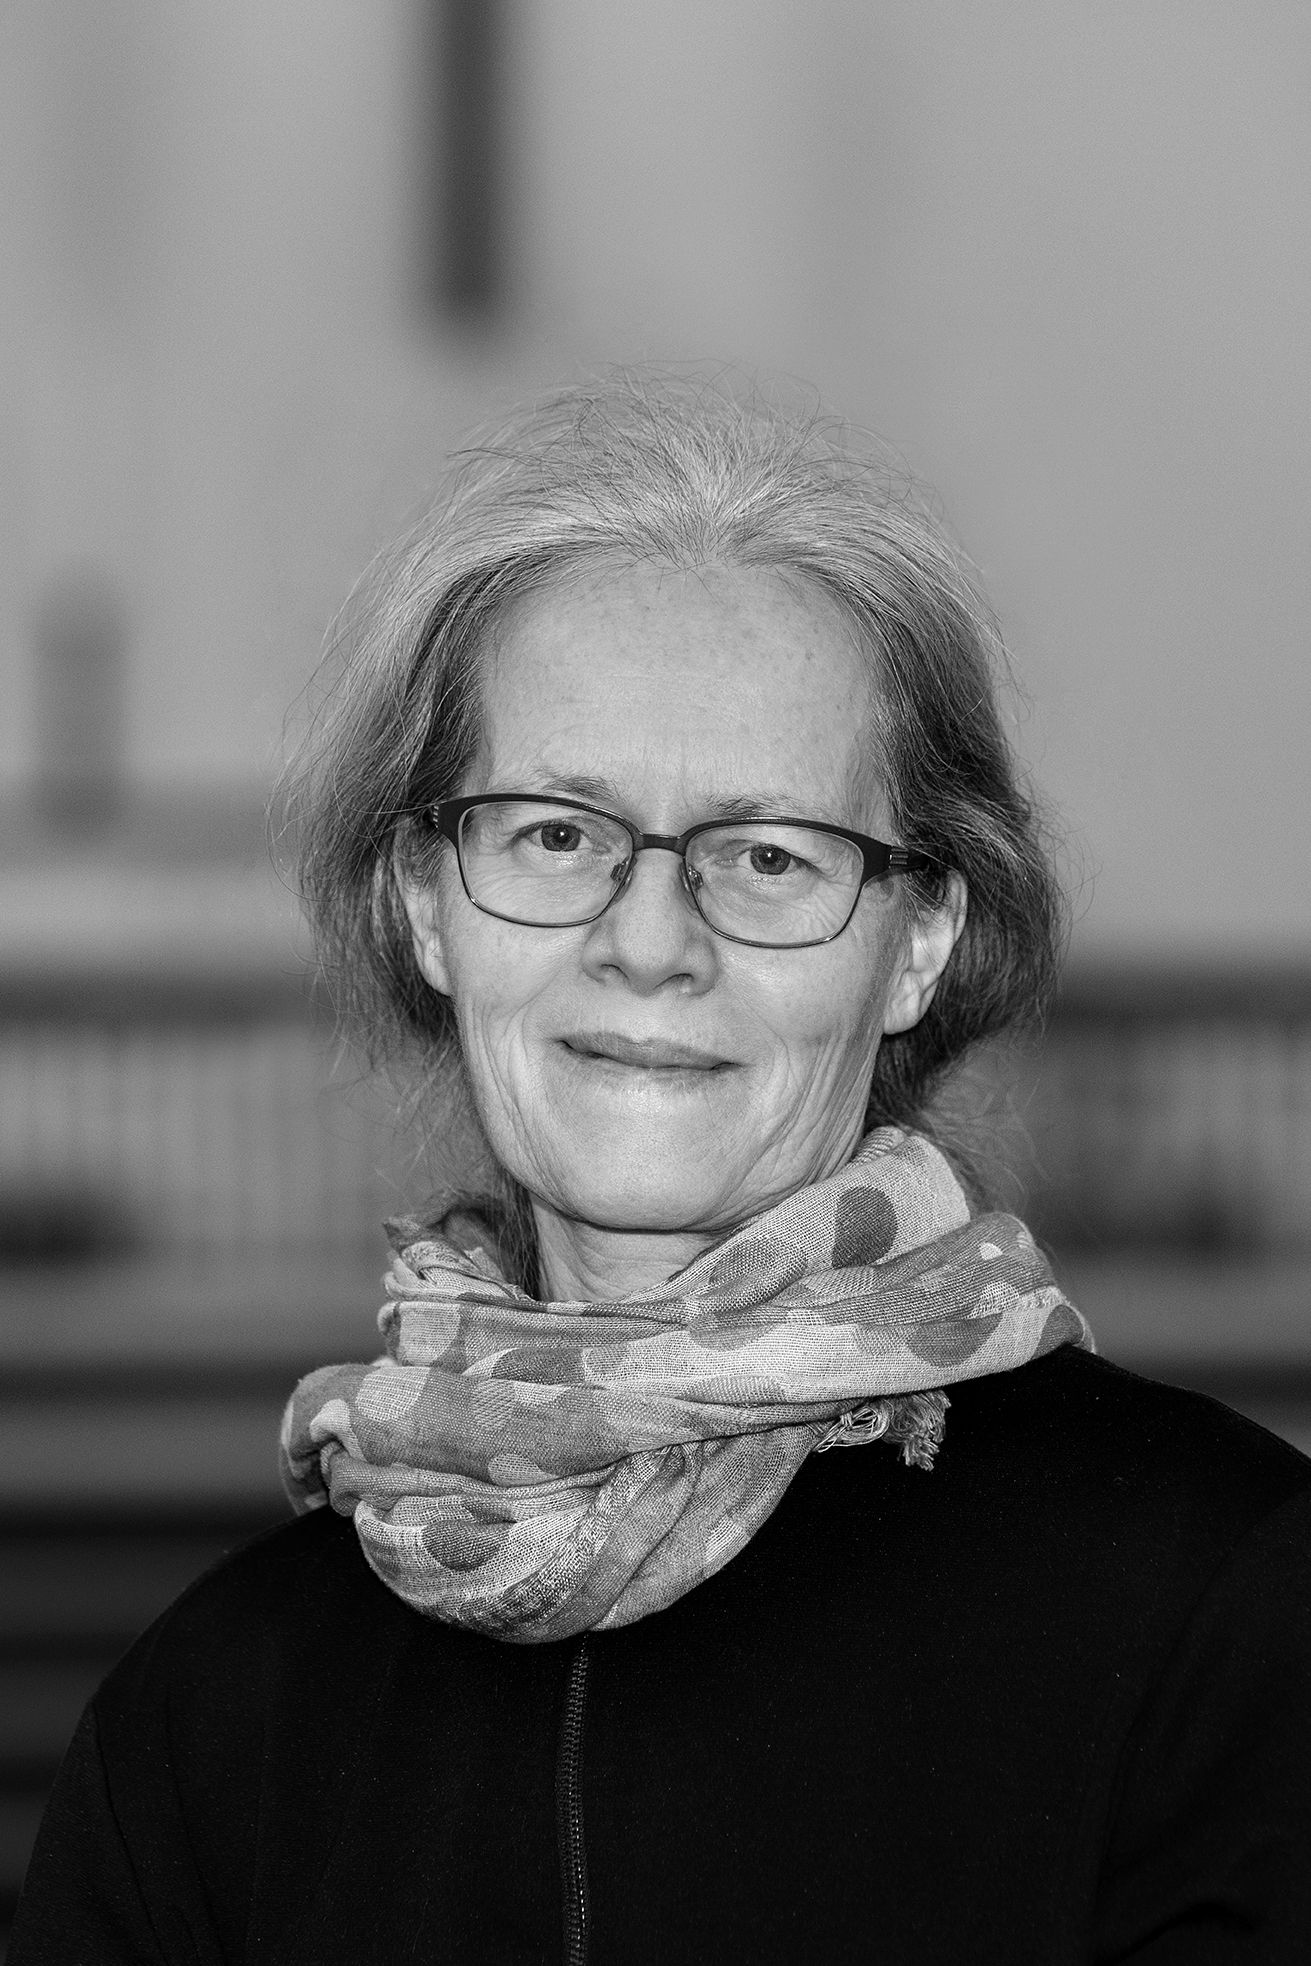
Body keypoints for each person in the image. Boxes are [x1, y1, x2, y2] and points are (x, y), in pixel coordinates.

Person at [12, 372, 1311, 1963]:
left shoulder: (1219, 1615)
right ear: (427, 906)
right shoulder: (213, 1723)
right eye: (556, 834)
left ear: (918, 939)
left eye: (766, 855)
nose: (647, 940)